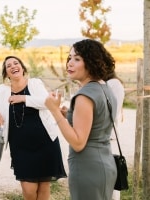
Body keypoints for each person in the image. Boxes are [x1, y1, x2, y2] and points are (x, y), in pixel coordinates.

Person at [0, 55, 67, 200]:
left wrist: (23, 98)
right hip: (20, 147)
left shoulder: (34, 83)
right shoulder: (3, 90)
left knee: (44, 188)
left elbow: (47, 102)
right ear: (6, 73)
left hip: (46, 142)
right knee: (28, 191)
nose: (13, 66)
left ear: (22, 68)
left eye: (16, 63)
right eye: (8, 66)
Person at [45, 39, 118, 200]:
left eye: (77, 59)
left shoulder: (84, 95)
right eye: (69, 58)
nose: (69, 63)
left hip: (87, 168)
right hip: (106, 163)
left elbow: (78, 143)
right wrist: (68, 117)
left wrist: (54, 111)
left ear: (91, 62)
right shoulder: (105, 88)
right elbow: (97, 124)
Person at [105, 72, 125, 200]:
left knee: (110, 182)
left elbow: (111, 113)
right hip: (101, 138)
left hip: (108, 138)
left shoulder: (113, 84)